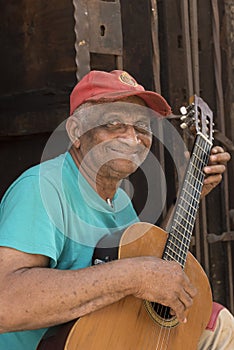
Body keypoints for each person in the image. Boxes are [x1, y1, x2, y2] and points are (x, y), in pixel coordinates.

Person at [0, 70, 232, 349]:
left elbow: (152, 266)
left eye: (142, 127)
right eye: (113, 123)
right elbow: (6, 304)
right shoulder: (41, 189)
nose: (132, 138)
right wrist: (132, 276)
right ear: (76, 132)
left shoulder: (119, 199)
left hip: (112, 338)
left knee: (220, 325)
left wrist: (190, 194)